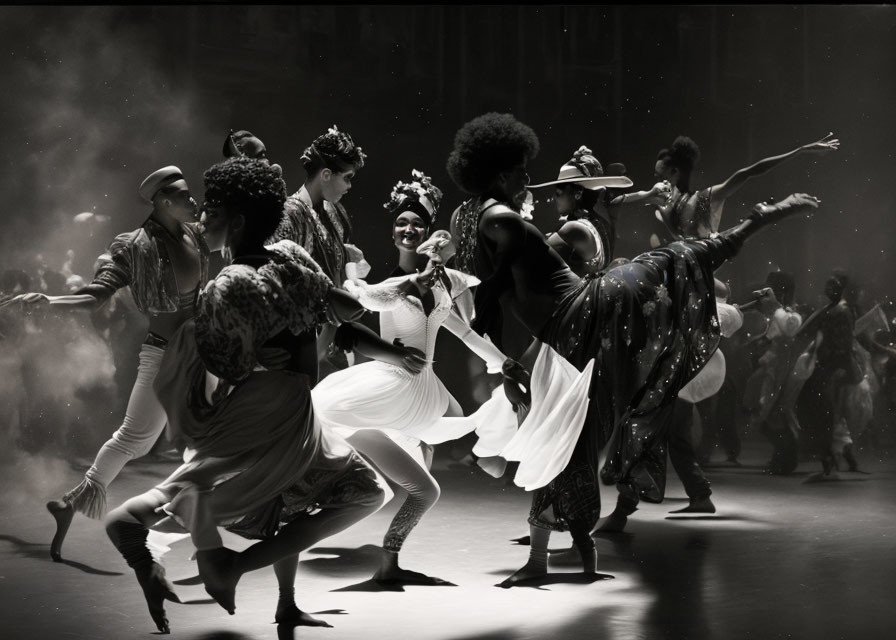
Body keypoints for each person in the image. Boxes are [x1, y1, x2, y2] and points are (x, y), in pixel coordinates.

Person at [448, 112, 821, 586]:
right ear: (500, 174)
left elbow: (497, 288)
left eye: (546, 181)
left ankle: (760, 218)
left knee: (679, 258)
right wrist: (503, 359)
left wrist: (501, 354)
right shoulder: (495, 217)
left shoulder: (500, 218)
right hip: (571, 330)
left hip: (587, 312)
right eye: (523, 171)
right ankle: (573, 554)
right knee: (568, 439)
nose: (531, 182)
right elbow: (497, 289)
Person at [103, 157, 422, 632]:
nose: (200, 220)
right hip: (278, 406)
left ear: (237, 222)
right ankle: (225, 563)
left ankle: (157, 538)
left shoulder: (227, 284)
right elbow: (348, 309)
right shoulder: (287, 256)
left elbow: (228, 364)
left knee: (285, 496)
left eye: (211, 214)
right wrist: (333, 292)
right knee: (364, 493)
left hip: (275, 404)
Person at [312, 171, 529, 585]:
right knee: (419, 482)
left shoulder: (443, 285)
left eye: (417, 224)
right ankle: (378, 556)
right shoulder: (390, 284)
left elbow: (464, 332)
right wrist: (364, 277)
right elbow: (362, 300)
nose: (409, 229)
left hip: (423, 389)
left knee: (446, 448)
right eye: (401, 223)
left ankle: (390, 559)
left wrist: (505, 363)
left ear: (431, 233)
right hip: (390, 388)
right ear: (394, 233)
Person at [8, 166, 208, 562]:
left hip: (201, 353)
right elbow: (96, 295)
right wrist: (50, 301)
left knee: (212, 434)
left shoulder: (193, 233)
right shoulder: (133, 246)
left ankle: (196, 523)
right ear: (164, 201)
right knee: (136, 439)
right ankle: (71, 503)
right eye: (184, 196)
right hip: (165, 354)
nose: (193, 201)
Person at [271, 125, 369, 374]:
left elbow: (332, 264)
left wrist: (348, 259)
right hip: (302, 339)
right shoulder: (290, 213)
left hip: (337, 336)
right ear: (326, 174)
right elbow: (277, 279)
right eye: (346, 177)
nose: (349, 186)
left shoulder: (335, 211)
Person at [653, 133, 838, 239]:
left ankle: (780, 208)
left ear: (675, 173)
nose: (658, 181)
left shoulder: (703, 198)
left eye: (661, 176)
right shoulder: (663, 206)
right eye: (657, 177)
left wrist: (801, 151)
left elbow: (749, 172)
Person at [529, 145, 667, 275]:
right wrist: (649, 195)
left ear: (577, 194)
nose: (554, 198)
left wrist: (525, 223)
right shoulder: (604, 216)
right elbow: (623, 199)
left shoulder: (574, 229)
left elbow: (533, 263)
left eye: (558, 193)